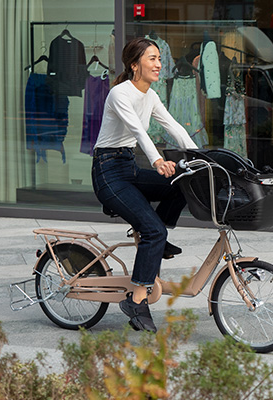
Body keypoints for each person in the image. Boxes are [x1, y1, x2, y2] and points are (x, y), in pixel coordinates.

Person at [91, 38, 197, 333]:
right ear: (134, 65)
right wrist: (157, 160)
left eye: (159, 58)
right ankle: (136, 301)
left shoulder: (150, 96)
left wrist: (201, 159)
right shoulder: (120, 93)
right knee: (154, 231)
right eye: (152, 58)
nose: (159, 64)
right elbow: (138, 131)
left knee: (182, 183)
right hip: (108, 173)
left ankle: (158, 240)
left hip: (128, 168)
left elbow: (174, 126)